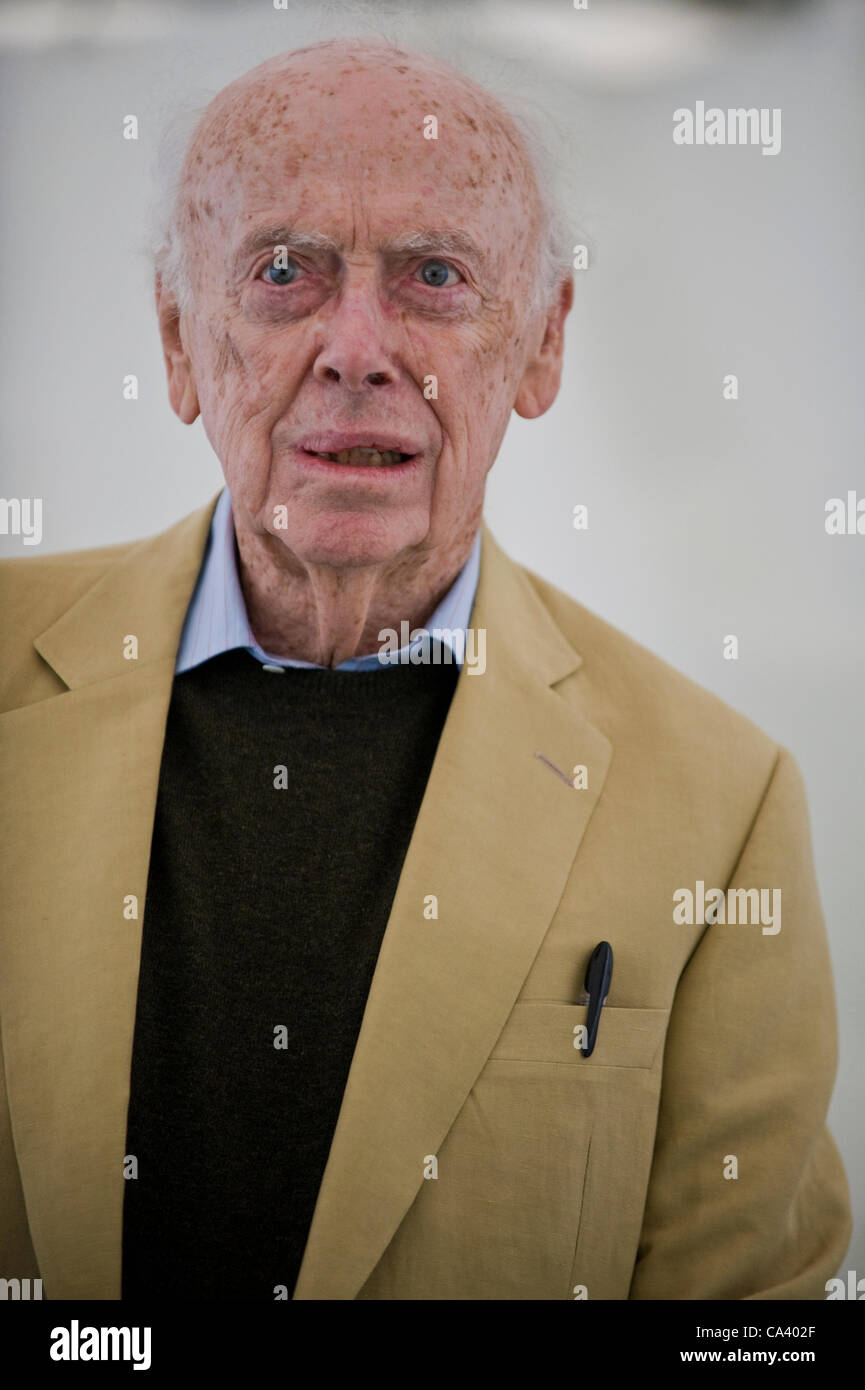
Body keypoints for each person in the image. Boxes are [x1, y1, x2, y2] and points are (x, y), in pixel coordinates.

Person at [0, 37, 850, 1301]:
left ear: (543, 344)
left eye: (435, 277)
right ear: (179, 341)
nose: (357, 348)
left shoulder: (723, 805)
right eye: (283, 271)